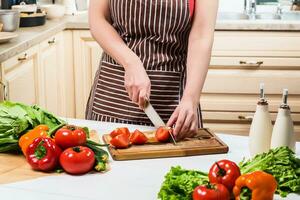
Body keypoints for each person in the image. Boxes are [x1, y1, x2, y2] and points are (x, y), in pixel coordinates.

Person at [86, 0, 218, 140]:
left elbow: (201, 37)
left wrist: (190, 99)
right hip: (114, 93)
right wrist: (131, 63)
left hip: (172, 99)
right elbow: (98, 20)